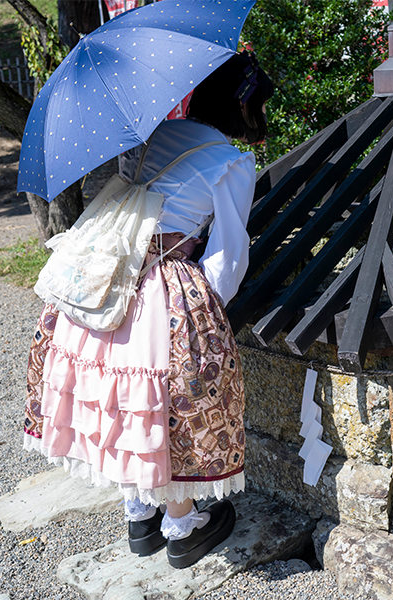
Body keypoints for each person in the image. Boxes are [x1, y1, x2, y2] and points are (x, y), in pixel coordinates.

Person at [23, 52, 274, 569]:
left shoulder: (147, 136)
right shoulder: (228, 159)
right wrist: (205, 304)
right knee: (166, 396)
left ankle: (139, 515)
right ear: (240, 106)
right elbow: (229, 251)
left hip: (105, 282)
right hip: (167, 283)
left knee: (115, 391)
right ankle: (183, 525)